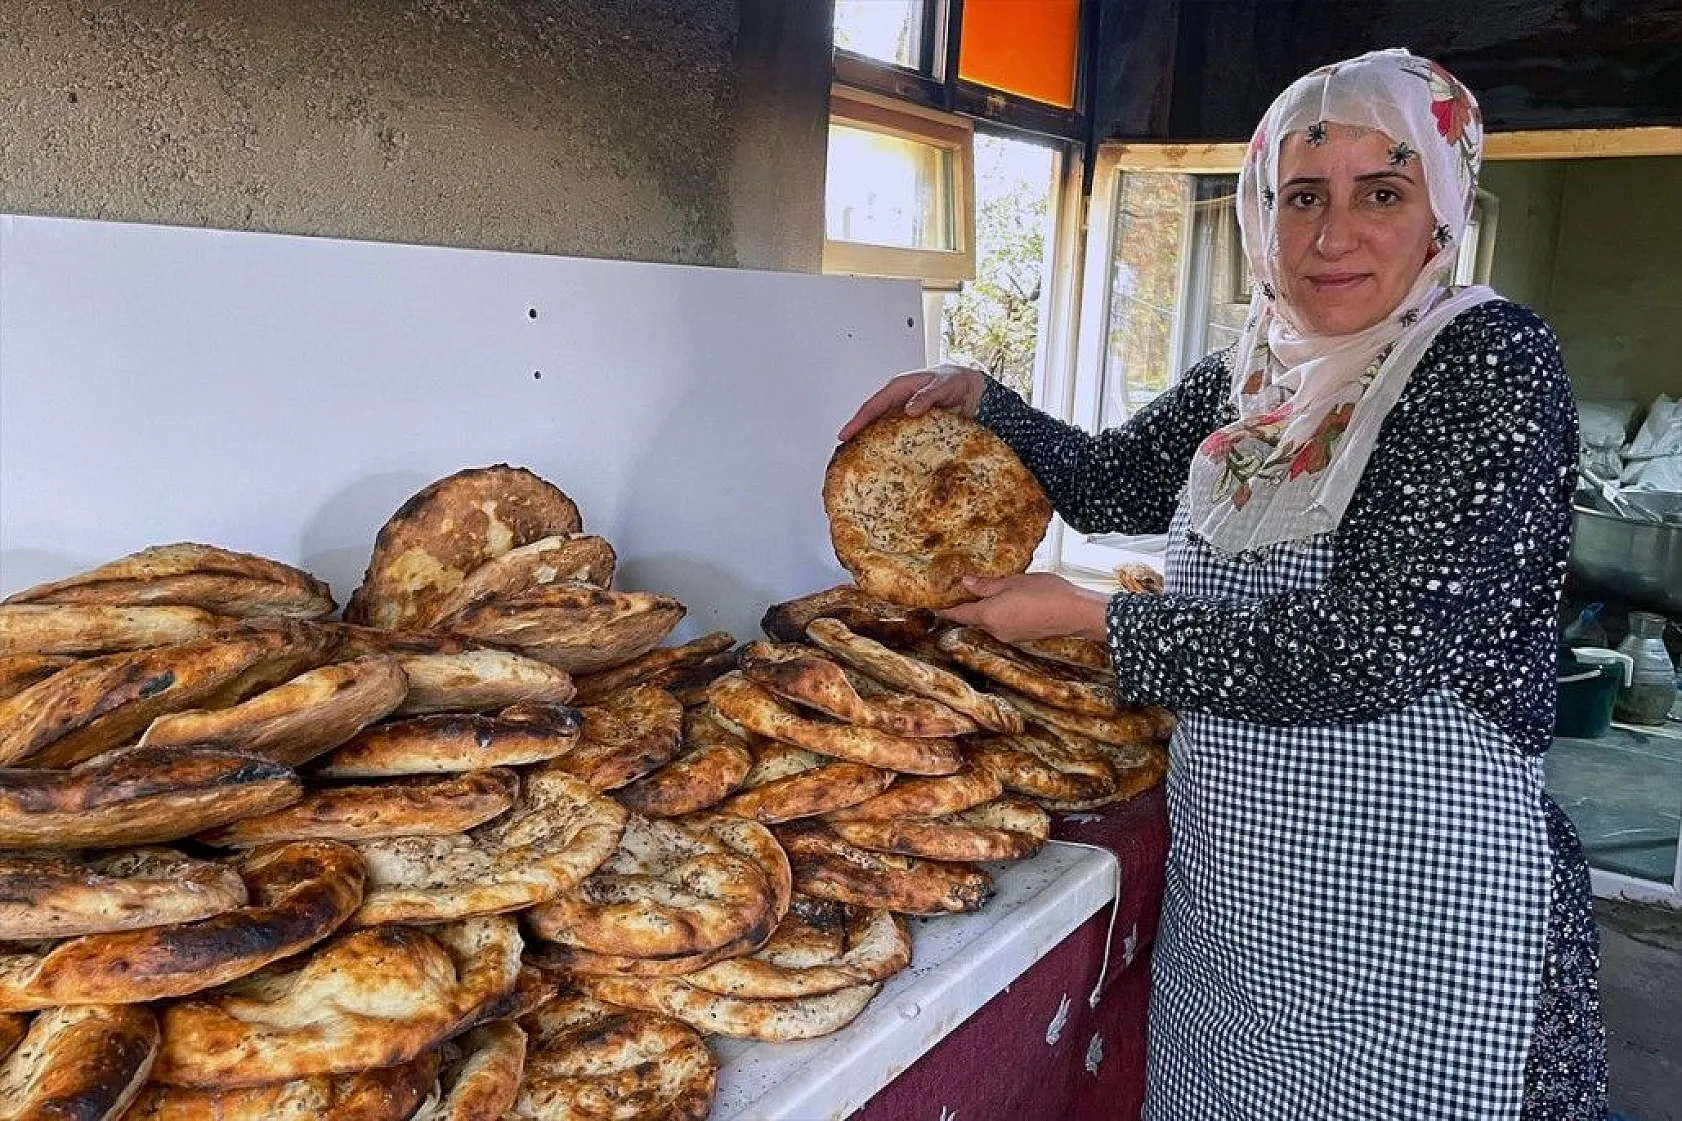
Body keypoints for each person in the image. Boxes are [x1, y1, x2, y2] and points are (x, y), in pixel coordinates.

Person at [839, 48, 1606, 1121]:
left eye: (1379, 194)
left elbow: (1369, 650)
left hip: (1417, 907)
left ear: (1440, 210)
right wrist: (979, 396)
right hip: (1244, 902)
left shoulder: (1483, 364)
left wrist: (1095, 620)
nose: (1329, 236)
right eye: (1300, 197)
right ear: (1259, 210)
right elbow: (1109, 480)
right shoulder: (1253, 369)